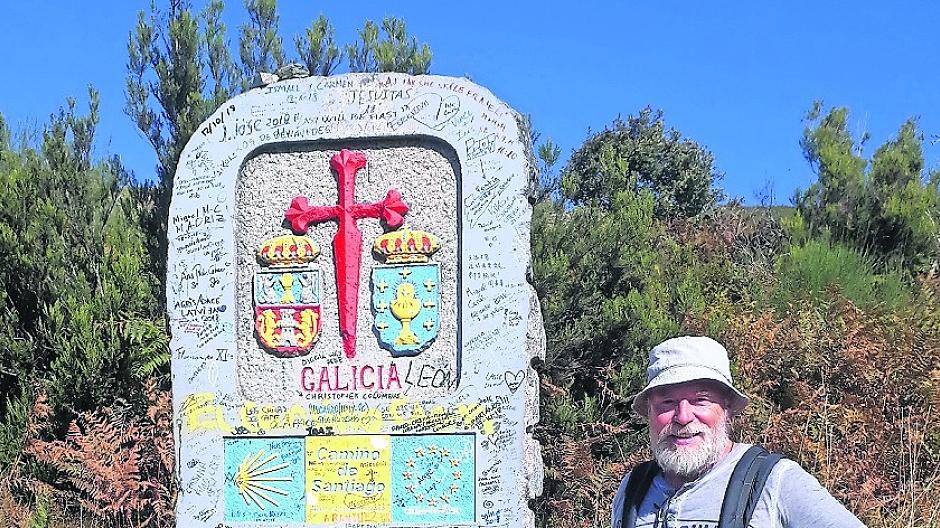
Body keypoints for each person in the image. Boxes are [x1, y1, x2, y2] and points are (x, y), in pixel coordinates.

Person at [612, 336, 865, 528]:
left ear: (728, 408)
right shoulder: (633, 489)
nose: (683, 417)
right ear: (649, 412)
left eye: (701, 400)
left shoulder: (774, 482)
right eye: (667, 403)